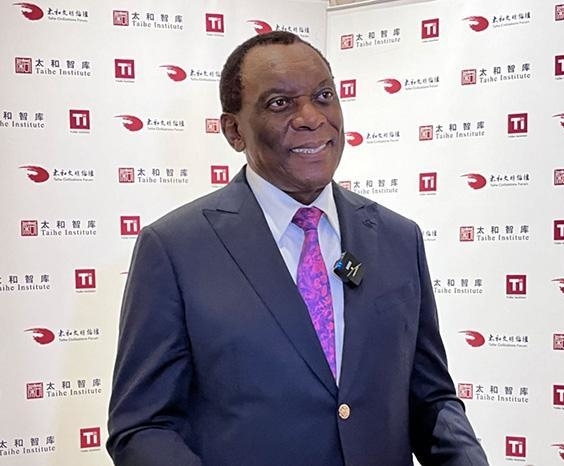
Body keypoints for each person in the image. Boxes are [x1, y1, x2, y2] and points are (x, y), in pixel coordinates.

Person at [107, 31, 489, 466]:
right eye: (279, 103)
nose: (311, 117)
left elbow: (431, 399)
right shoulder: (174, 249)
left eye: (324, 96)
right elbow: (142, 428)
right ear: (234, 130)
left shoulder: (399, 238)